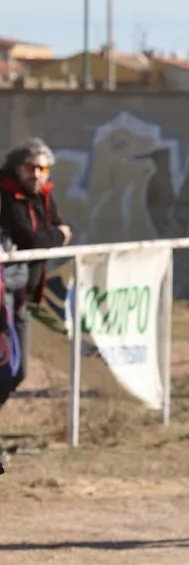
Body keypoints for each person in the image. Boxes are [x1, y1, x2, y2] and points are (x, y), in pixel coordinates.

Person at [0, 138, 73, 400]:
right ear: (17, 168)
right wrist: (57, 235)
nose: (37, 176)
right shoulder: (7, 196)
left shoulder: (43, 196)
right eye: (31, 168)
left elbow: (62, 228)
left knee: (17, 372)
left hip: (22, 293)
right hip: (2, 294)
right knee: (7, 369)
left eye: (43, 170)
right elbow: (31, 239)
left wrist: (54, 234)